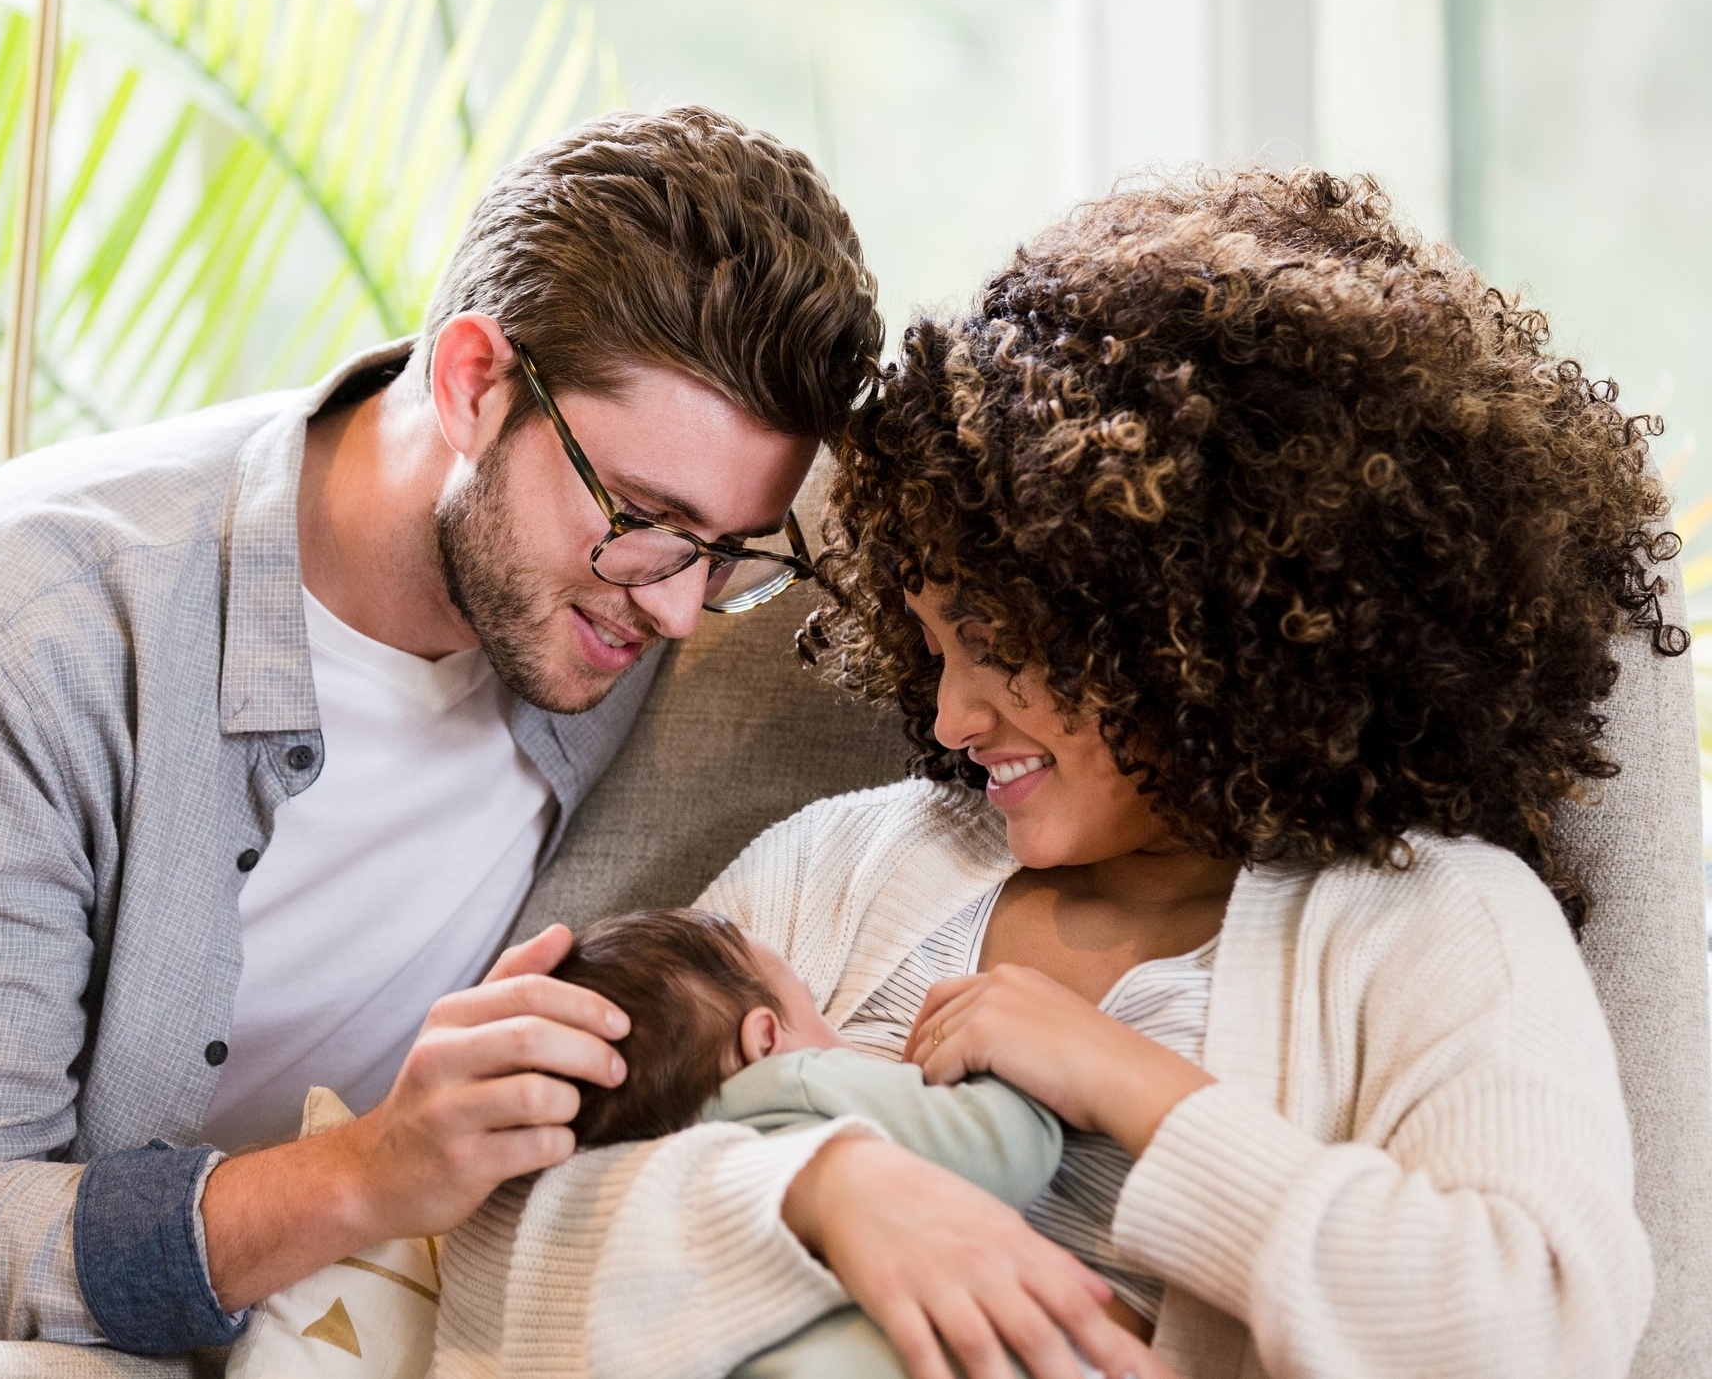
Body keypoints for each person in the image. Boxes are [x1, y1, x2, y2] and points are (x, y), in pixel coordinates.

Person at [471, 169, 1676, 1379]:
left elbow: (1541, 1327)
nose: (947, 719)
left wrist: (1134, 1090)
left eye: (995, 648)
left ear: (1192, 625)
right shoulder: (841, 868)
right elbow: (489, 1220)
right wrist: (818, 1190)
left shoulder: (1436, 923)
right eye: (933, 648)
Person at [0, 107, 885, 1353]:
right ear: (469, 381)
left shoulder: (645, 580)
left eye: (725, 555)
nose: (673, 610)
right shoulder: (31, 624)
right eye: (645, 520)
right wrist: (366, 1172)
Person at [432, 907, 1083, 1379]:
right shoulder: (804, 1082)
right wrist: (1007, 1060)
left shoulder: (643, 1186)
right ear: (766, 1037)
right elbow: (1005, 1151)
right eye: (813, 1005)